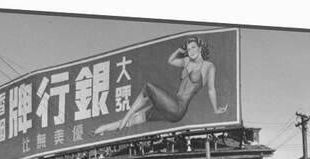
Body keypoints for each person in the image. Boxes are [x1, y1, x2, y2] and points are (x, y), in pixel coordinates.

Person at [94, 36, 228, 135]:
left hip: (178, 108)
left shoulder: (208, 67)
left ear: (200, 48)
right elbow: (171, 60)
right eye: (188, 49)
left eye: (193, 47)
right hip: (171, 107)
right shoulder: (186, 61)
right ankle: (104, 128)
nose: (190, 50)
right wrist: (178, 50)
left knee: (148, 88)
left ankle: (125, 118)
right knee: (136, 119)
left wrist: (215, 109)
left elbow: (211, 89)